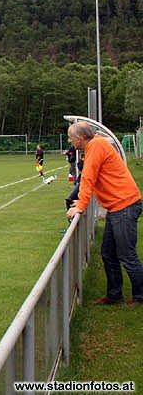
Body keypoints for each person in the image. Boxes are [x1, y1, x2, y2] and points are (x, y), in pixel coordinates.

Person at [65, 122, 143, 306]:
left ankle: (140, 296)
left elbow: (88, 178)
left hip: (124, 206)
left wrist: (80, 206)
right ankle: (115, 295)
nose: (69, 141)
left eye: (71, 137)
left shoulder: (96, 146)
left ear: (81, 138)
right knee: (108, 253)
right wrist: (81, 202)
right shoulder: (95, 145)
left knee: (127, 254)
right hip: (117, 208)